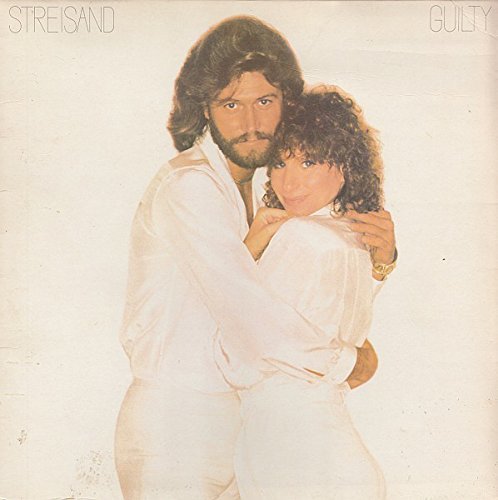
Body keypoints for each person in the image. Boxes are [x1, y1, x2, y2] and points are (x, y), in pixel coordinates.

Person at [114, 16, 396, 499]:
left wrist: (380, 261)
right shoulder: (191, 185)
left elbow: (311, 298)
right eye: (231, 104)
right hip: (178, 426)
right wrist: (346, 363)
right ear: (205, 110)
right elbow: (251, 315)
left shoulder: (273, 192)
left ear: (287, 100)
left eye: (264, 100)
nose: (250, 124)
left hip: (248, 427)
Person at [235, 88, 389, 499]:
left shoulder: (302, 235)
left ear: (345, 165)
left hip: (292, 448)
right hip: (319, 443)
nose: (289, 181)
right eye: (280, 162)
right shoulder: (354, 237)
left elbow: (242, 346)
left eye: (309, 162)